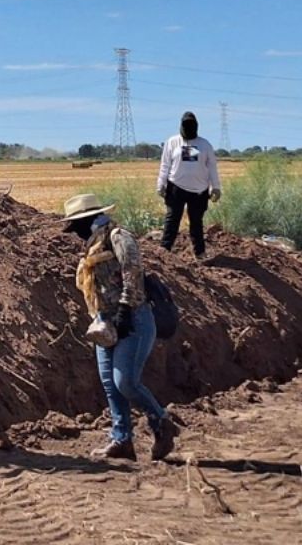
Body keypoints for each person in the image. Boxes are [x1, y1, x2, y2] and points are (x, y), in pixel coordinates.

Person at [62, 193, 178, 462]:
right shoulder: (94, 243)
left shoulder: (118, 236)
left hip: (133, 317)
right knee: (110, 384)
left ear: (88, 219)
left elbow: (132, 273)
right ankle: (121, 440)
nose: (75, 232)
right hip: (106, 319)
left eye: (77, 224)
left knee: (125, 381)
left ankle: (161, 422)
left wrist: (125, 310)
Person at [156, 111, 221, 260]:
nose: (188, 127)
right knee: (172, 219)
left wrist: (215, 187)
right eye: (185, 125)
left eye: (191, 125)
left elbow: (212, 167)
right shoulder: (172, 142)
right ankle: (164, 251)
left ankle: (200, 253)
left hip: (199, 190)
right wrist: (161, 183)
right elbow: (165, 165)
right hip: (176, 187)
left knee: (196, 222)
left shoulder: (205, 145)